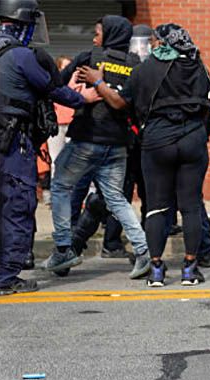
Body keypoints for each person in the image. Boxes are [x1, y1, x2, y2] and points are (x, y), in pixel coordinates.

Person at [78, 23, 210, 287]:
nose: (152, 45)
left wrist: (99, 82)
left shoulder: (144, 69)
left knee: (157, 206)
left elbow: (122, 104)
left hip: (157, 143)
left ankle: (156, 269)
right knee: (190, 206)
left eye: (154, 41)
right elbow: (209, 109)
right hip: (193, 140)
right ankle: (190, 269)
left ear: (160, 43)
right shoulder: (197, 67)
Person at [45, 15, 150, 279]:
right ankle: (144, 250)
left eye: (98, 32)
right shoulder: (135, 64)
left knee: (60, 186)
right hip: (118, 144)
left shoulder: (90, 56)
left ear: (109, 34)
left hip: (87, 139)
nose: (95, 37)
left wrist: (82, 96)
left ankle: (63, 249)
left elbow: (56, 84)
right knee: (116, 198)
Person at [0, 0, 85, 295]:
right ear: (23, 23)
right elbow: (54, 89)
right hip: (12, 145)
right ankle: (6, 276)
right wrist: (83, 99)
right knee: (17, 206)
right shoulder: (21, 56)